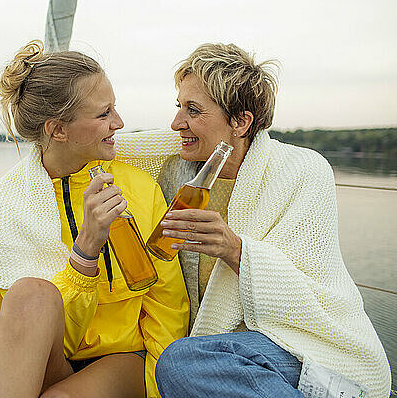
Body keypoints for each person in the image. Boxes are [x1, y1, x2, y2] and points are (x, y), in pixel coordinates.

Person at [145, 43, 391, 397]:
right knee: (181, 365)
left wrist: (236, 250)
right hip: (216, 353)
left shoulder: (303, 171)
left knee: (179, 364)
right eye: (178, 107)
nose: (175, 123)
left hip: (298, 346)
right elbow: (118, 147)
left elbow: (313, 297)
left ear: (241, 121)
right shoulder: (174, 175)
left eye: (193, 110)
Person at [0, 40, 189, 398]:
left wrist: (163, 389)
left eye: (115, 108)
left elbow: (167, 300)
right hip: (55, 354)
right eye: (103, 114)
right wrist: (86, 250)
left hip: (124, 357)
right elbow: (31, 332)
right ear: (57, 130)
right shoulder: (3, 206)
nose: (119, 122)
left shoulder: (139, 188)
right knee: (28, 294)